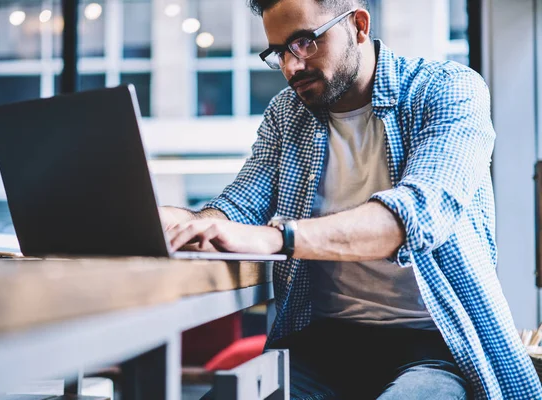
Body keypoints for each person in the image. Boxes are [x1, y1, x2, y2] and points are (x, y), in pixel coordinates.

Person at [161, 0, 542, 398]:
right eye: (279, 52)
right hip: (323, 343)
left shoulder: (447, 89)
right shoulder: (287, 113)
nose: (291, 67)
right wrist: (181, 220)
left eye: (304, 42)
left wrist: (280, 238)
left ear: (359, 25)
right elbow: (238, 206)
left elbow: (416, 215)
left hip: (436, 343)